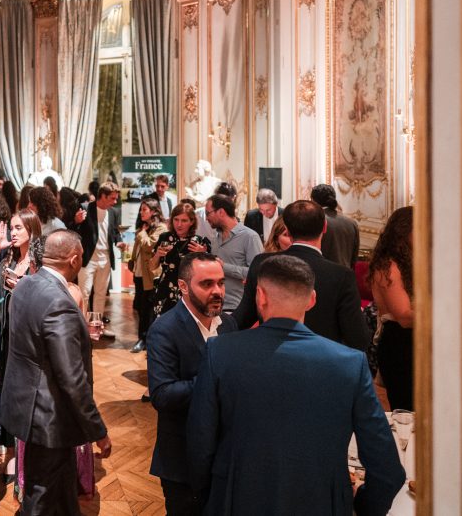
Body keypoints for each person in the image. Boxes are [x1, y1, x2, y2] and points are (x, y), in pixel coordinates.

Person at [187, 255, 406, 515]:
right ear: (312, 299)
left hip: (237, 499)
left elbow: (200, 444)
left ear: (260, 296)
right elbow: (388, 470)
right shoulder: (350, 364)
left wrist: (207, 497)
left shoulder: (220, 352)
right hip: (322, 503)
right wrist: (360, 505)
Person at [1, 230, 112, 515]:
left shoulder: (25, 286)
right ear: (74, 259)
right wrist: (97, 430)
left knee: (60, 493)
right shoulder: (60, 302)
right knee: (41, 498)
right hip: (49, 417)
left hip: (26, 406)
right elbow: (71, 377)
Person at [146, 253, 236, 515]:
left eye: (221, 282)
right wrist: (214, 380)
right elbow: (162, 395)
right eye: (207, 284)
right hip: (182, 459)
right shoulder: (165, 329)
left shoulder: (228, 324)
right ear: (183, 287)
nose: (217, 291)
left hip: (223, 456)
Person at [234, 201, 369, 351]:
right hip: (321, 364)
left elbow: (242, 319)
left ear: (287, 230)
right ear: (325, 227)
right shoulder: (342, 276)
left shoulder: (261, 263)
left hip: (268, 358)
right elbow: (358, 339)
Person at [369, 206, 414, 410]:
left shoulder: (409, 263)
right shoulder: (388, 266)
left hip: (414, 340)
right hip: (400, 343)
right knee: (407, 408)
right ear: (404, 233)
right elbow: (404, 316)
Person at [74, 182, 124, 327]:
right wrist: (77, 221)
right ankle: (82, 326)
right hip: (88, 259)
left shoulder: (113, 212)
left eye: (116, 199)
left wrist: (119, 242)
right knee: (84, 293)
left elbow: (114, 232)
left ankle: (97, 325)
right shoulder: (85, 208)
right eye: (112, 198)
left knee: (101, 294)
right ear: (102, 196)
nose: (115, 202)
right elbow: (74, 231)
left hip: (106, 259)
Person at [204, 194, 263, 312]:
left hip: (238, 308)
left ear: (221, 212)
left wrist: (224, 267)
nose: (206, 218)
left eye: (208, 213)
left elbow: (258, 273)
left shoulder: (250, 237)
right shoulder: (216, 237)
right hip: (215, 306)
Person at [130, 198, 166, 353]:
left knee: (149, 309)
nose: (141, 212)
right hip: (139, 274)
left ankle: (147, 340)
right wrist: (131, 260)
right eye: (141, 209)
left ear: (153, 211)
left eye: (144, 209)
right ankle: (142, 338)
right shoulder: (144, 227)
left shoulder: (161, 228)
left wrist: (142, 233)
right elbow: (139, 249)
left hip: (151, 276)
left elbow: (150, 246)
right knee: (140, 308)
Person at [311, 183, 361, 269]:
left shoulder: (315, 221)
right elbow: (354, 256)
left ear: (313, 201)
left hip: (323, 274)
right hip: (346, 274)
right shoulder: (352, 223)